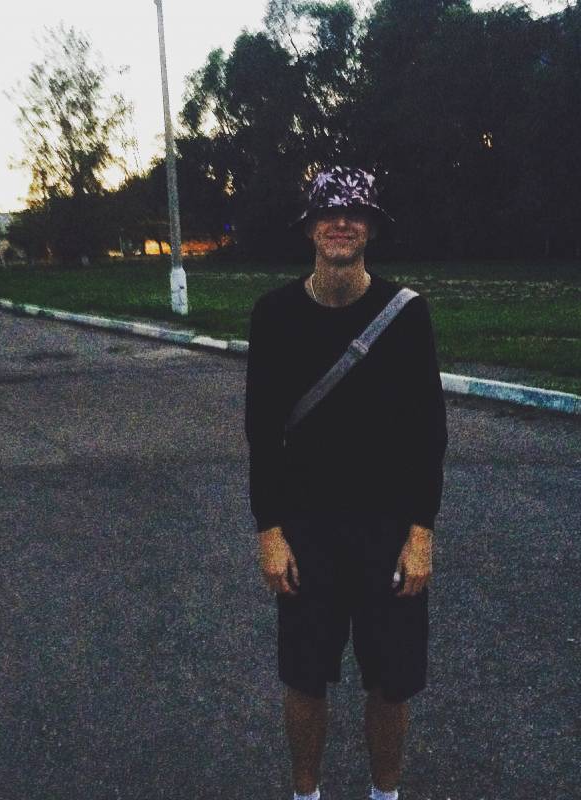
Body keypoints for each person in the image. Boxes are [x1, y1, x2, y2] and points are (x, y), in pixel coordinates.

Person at [244, 165, 448, 800]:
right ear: (309, 228)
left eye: (354, 212)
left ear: (371, 228)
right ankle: (306, 793)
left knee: (391, 679)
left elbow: (428, 433)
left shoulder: (406, 314)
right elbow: (261, 433)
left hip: (387, 527)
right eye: (328, 213)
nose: (340, 222)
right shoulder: (274, 314)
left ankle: (385, 794)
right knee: (304, 677)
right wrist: (270, 530)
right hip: (306, 528)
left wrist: (421, 532)